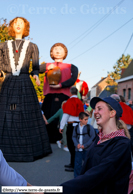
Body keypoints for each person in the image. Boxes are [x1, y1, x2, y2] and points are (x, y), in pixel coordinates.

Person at [0, 17, 52, 162]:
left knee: (26, 114)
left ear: (25, 28)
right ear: (11, 26)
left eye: (21, 23)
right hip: (9, 82)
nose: (18, 25)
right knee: (10, 113)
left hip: (25, 82)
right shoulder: (3, 45)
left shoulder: (32, 46)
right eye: (15, 23)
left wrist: (35, 76)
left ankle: (28, 149)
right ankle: (7, 150)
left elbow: (35, 67)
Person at [59, 97, 131, 194]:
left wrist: (54, 190)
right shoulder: (99, 138)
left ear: (112, 113)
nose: (95, 112)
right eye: (95, 109)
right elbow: (86, 170)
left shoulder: (122, 144)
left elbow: (96, 175)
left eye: (99, 108)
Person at [39, 43, 78, 143]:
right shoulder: (47, 65)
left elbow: (73, 80)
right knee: (46, 116)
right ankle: (46, 138)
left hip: (63, 96)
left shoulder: (72, 67)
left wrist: (60, 85)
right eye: (55, 49)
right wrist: (48, 68)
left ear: (65, 52)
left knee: (62, 117)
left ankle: (61, 138)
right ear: (51, 52)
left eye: (60, 49)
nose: (57, 51)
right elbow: (35, 70)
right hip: (49, 96)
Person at [59, 86, 84, 172]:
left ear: (70, 93)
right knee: (74, 145)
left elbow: (65, 115)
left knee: (71, 145)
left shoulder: (69, 101)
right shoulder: (80, 102)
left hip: (71, 126)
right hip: (78, 125)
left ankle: (74, 165)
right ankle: (72, 163)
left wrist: (61, 127)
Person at [72, 112, 96, 178]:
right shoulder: (76, 127)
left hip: (86, 149)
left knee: (87, 164)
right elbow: (73, 136)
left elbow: (92, 137)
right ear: (80, 119)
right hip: (78, 149)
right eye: (85, 119)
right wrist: (76, 144)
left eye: (87, 119)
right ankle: (77, 177)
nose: (87, 121)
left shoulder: (89, 127)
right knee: (77, 164)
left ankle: (86, 177)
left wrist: (85, 145)